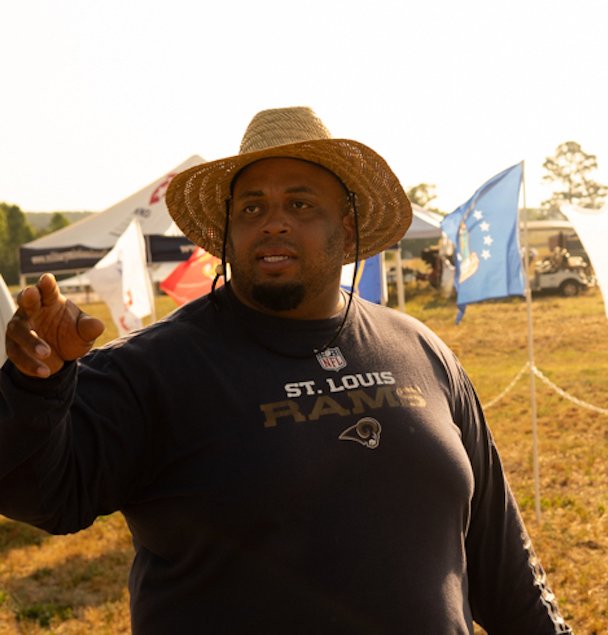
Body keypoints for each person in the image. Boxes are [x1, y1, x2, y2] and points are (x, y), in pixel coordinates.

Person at [0, 107, 571, 634]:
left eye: (300, 204)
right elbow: (44, 493)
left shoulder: (421, 350)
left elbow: (500, 556)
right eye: (251, 208)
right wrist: (37, 387)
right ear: (226, 235)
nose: (273, 223)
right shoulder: (153, 368)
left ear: (346, 232)